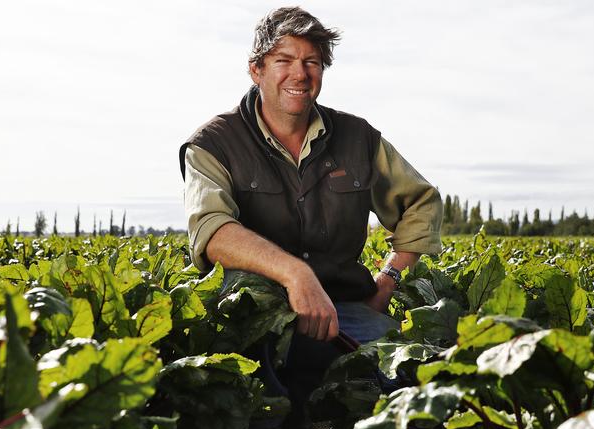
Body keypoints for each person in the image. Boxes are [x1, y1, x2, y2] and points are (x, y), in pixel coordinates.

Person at [180, 7, 442, 399]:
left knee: (417, 378)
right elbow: (213, 231)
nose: (300, 74)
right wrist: (295, 275)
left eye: (312, 62)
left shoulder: (358, 138)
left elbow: (421, 202)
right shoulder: (213, 143)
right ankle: (272, 424)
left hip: (342, 312)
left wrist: (389, 281)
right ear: (257, 70)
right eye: (283, 61)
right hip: (252, 325)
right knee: (242, 395)